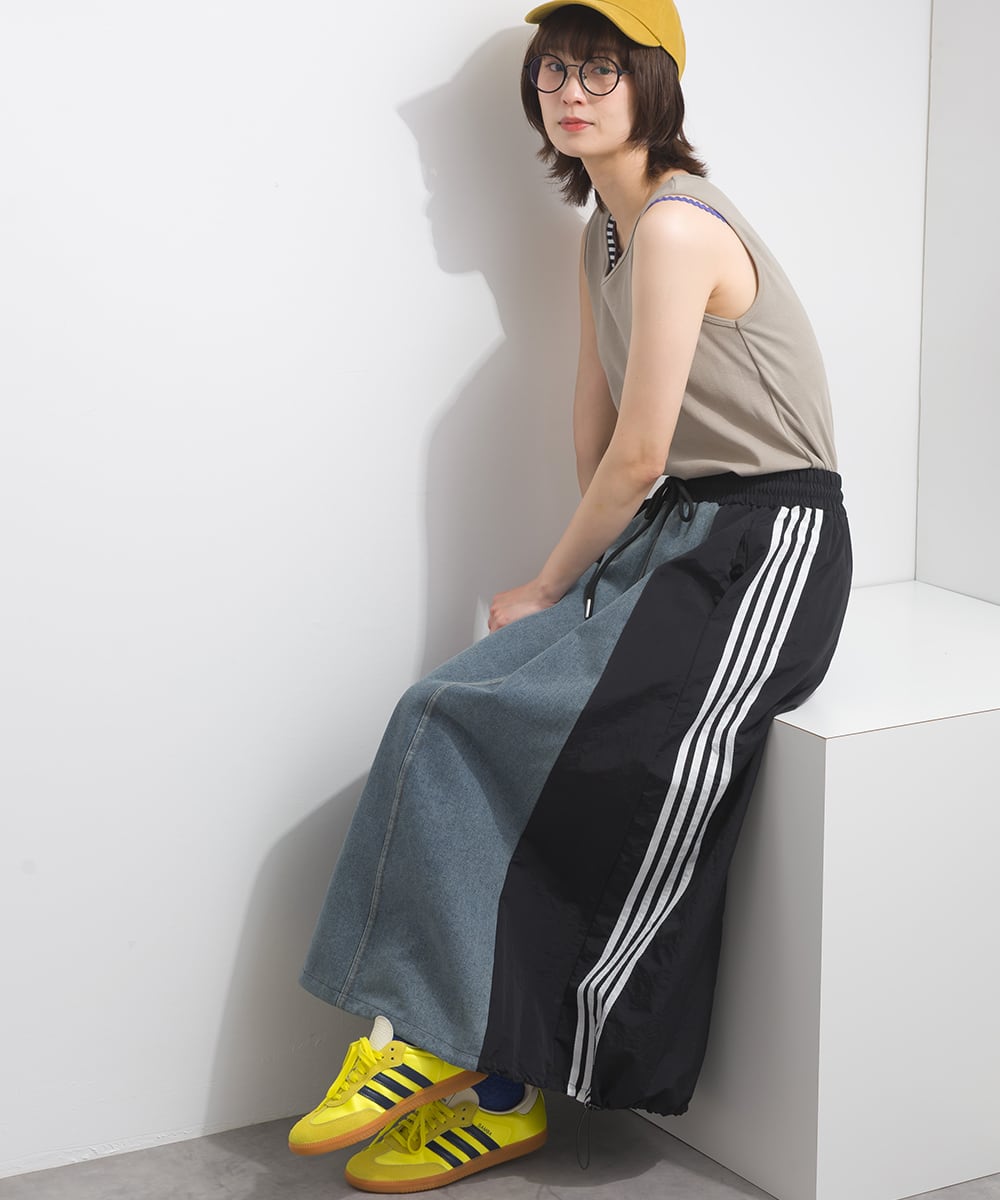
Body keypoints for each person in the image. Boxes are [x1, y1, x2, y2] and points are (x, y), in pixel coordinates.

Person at [289, 0, 852, 1192]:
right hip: (675, 533)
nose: (571, 91)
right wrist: (582, 589)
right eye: (553, 70)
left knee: (608, 773)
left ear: (654, 84)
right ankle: (448, 1056)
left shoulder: (679, 228)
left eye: (600, 68)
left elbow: (641, 451)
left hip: (769, 544)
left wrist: (550, 580)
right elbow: (596, 436)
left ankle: (482, 1068)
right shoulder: (602, 231)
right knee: (445, 713)